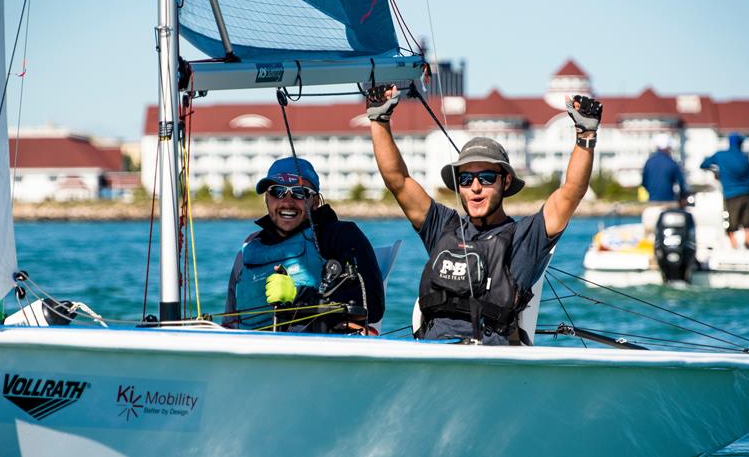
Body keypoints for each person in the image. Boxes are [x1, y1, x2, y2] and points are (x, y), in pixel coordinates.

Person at [366, 85, 602, 345]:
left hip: (489, 362)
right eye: (466, 179)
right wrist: (379, 119)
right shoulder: (442, 225)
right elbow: (397, 181)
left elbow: (571, 192)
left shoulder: (526, 236)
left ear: (506, 180)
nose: (475, 187)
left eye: (487, 177)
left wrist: (586, 135)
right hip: (433, 356)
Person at [225, 157, 384, 333]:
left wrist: (298, 297)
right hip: (250, 353)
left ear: (315, 201)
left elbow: (372, 306)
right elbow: (229, 322)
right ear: (267, 199)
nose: (287, 202)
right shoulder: (249, 248)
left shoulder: (340, 236)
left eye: (299, 192)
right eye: (277, 191)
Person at [700, 133, 749, 249]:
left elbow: (703, 165)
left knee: (731, 222)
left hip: (731, 194)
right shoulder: (745, 157)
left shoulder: (721, 155)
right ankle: (748, 242)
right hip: (748, 194)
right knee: (747, 223)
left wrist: (716, 173)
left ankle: (734, 245)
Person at [641, 133, 688, 203]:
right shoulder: (672, 163)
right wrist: (682, 197)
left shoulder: (649, 162)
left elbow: (644, 183)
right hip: (669, 201)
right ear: (669, 147)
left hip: (652, 201)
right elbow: (681, 183)